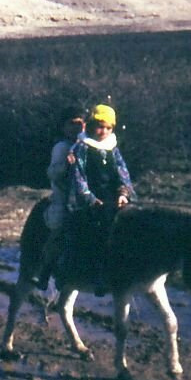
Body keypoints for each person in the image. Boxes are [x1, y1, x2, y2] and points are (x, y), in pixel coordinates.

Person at [66, 104, 136, 294]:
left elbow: (123, 173)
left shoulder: (112, 148)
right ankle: (98, 272)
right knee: (101, 227)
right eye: (99, 126)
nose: (103, 131)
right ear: (90, 126)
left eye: (108, 128)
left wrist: (123, 193)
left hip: (113, 195)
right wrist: (89, 198)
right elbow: (78, 175)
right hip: (93, 197)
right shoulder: (83, 147)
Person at [30, 105, 85, 290]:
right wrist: (66, 167)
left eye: (80, 123)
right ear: (63, 127)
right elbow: (52, 173)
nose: (77, 127)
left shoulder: (86, 145)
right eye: (72, 123)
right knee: (60, 226)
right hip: (63, 196)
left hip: (84, 196)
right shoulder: (61, 148)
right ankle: (46, 270)